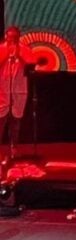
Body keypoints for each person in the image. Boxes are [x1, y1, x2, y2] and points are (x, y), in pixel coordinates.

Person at [0, 26, 35, 158]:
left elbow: (31, 65)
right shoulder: (1, 49)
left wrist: (19, 55)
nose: (12, 40)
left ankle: (14, 147)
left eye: (14, 37)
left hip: (19, 90)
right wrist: (6, 56)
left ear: (18, 37)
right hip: (2, 91)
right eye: (10, 37)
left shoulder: (25, 50)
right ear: (6, 37)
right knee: (1, 121)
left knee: (16, 122)